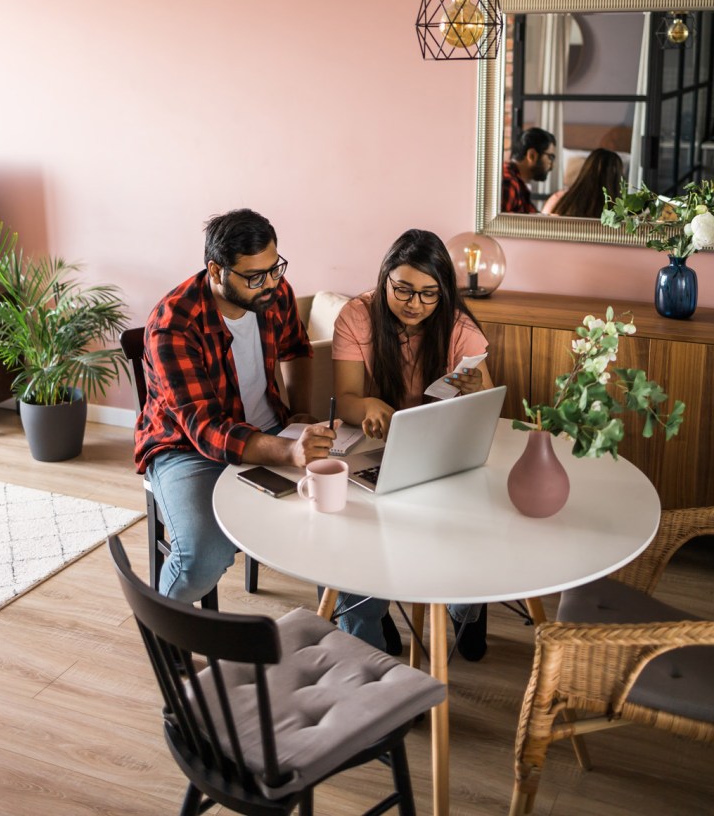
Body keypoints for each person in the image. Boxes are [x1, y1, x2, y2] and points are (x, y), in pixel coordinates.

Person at [134, 208, 337, 603]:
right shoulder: (173, 324)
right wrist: (288, 450)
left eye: (275, 268)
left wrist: (299, 414)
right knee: (201, 559)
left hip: (270, 430)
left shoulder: (274, 291)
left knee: (342, 505)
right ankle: (164, 629)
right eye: (254, 277)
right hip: (186, 450)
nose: (270, 285)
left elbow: (296, 349)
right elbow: (208, 430)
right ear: (216, 270)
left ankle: (348, 621)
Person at [332, 228, 494, 660]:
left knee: (470, 518)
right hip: (377, 443)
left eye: (429, 294)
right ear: (385, 277)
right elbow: (345, 399)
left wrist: (475, 387)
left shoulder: (460, 328)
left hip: (440, 445)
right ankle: (371, 608)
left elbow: (486, 410)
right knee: (355, 525)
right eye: (402, 290)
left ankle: (467, 608)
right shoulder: (357, 315)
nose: (414, 304)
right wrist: (366, 403)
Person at [542, 148, 624, 218]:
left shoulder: (559, 200)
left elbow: (540, 228)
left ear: (586, 170)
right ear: (618, 179)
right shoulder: (622, 214)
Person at [501, 127, 557, 213]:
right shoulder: (508, 183)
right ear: (532, 155)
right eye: (550, 157)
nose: (552, 166)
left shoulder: (518, 185)